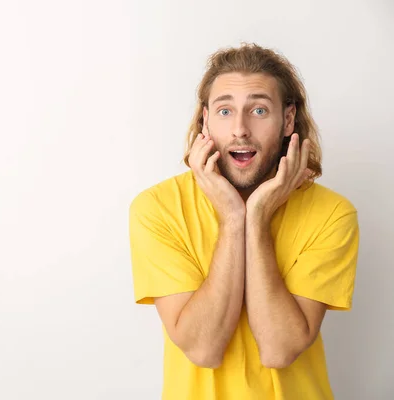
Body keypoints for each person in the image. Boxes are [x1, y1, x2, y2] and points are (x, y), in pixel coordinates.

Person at [128, 43, 359, 400]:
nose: (240, 129)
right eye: (224, 111)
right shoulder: (157, 208)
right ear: (204, 120)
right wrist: (235, 219)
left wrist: (258, 217)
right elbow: (203, 349)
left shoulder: (332, 213)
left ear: (287, 120)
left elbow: (279, 350)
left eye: (259, 110)